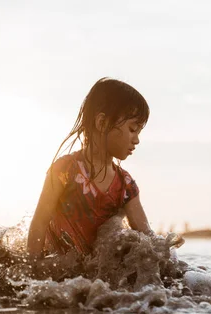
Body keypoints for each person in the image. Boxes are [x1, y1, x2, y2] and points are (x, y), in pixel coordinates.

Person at [27, 78, 152, 262]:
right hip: (58, 271)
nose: (136, 140)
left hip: (98, 276)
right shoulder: (64, 170)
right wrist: (32, 268)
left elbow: (147, 237)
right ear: (101, 123)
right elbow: (39, 223)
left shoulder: (126, 186)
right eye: (132, 129)